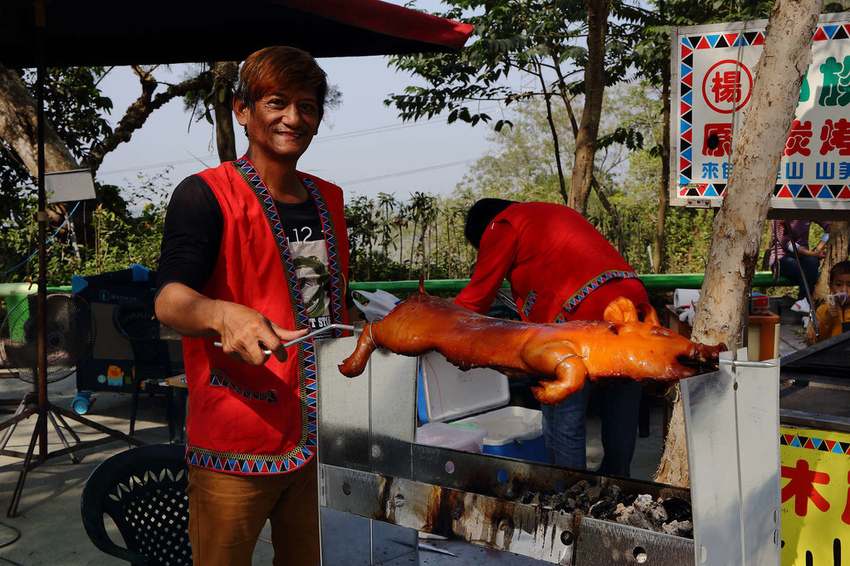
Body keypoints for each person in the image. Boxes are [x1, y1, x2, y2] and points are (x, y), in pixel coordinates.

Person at [155, 46, 356, 566]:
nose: (294, 118)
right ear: (243, 110)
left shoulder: (329, 199)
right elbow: (170, 299)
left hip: (322, 434)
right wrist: (224, 314)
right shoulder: (205, 194)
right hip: (237, 437)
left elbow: (329, 300)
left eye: (307, 106)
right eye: (277, 102)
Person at [453, 199, 648, 477]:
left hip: (579, 319)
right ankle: (617, 488)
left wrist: (435, 320)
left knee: (563, 421)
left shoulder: (502, 224)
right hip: (633, 310)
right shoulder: (548, 214)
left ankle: (570, 494)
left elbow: (475, 300)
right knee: (621, 419)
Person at [768, 219, 831, 314]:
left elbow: (830, 226)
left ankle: (804, 302)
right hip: (781, 260)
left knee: (813, 262)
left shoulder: (806, 213)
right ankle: (806, 302)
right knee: (804, 269)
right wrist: (812, 254)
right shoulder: (777, 218)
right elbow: (786, 243)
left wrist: (817, 249)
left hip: (803, 259)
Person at [812, 260, 850, 343]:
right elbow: (817, 339)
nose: (844, 290)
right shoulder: (823, 310)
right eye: (838, 284)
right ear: (831, 286)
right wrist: (827, 318)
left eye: (849, 285)